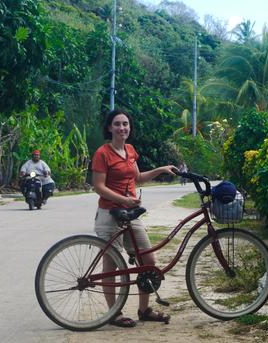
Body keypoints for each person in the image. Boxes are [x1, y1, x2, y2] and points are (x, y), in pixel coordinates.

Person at [91, 109, 178, 328]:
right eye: (117, 124)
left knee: (148, 262)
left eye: (125, 124)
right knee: (111, 267)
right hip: (109, 214)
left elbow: (137, 178)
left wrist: (160, 169)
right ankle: (114, 313)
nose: (122, 128)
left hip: (131, 214)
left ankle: (144, 309)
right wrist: (123, 199)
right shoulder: (103, 153)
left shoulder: (130, 150)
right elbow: (98, 187)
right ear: (109, 127)